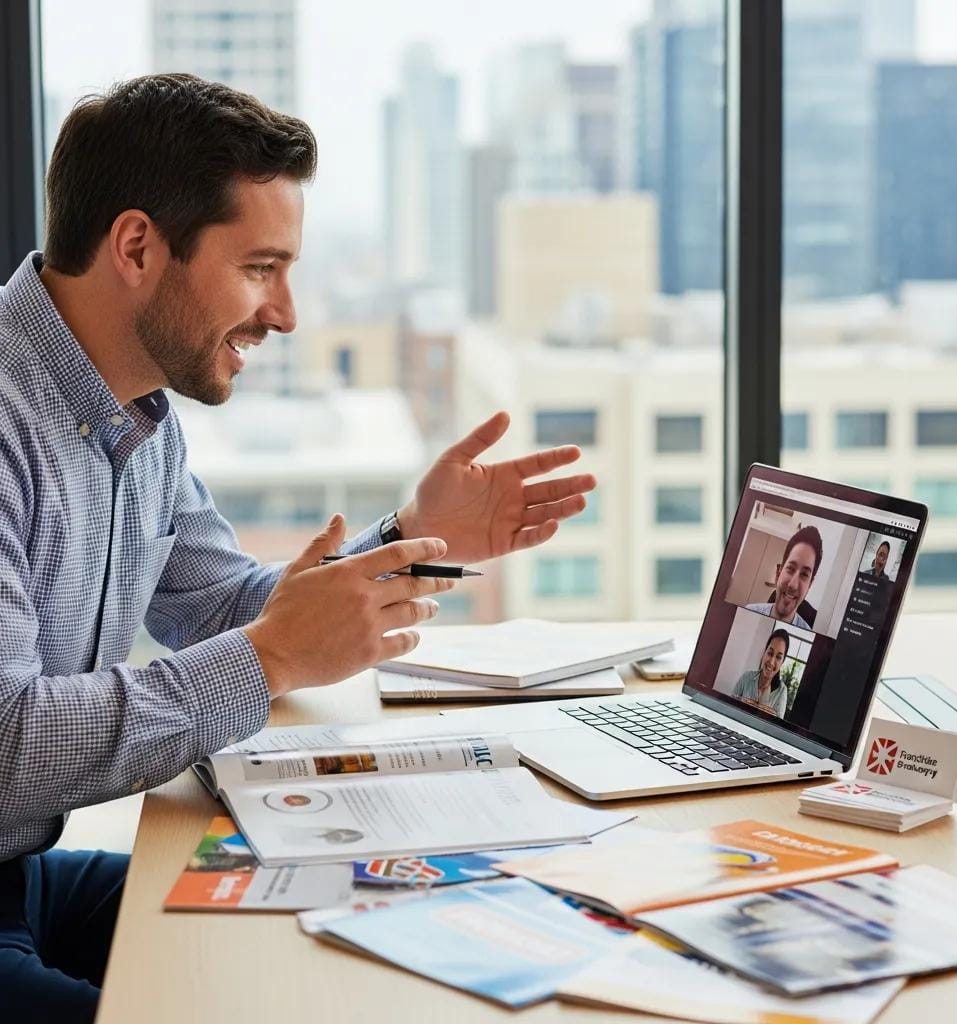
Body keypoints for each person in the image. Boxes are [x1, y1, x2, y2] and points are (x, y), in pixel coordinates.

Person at [0, 74, 596, 1021]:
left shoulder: (137, 413)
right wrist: (271, 657)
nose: (286, 314)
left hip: (20, 877)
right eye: (259, 268)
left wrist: (413, 538)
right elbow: (6, 743)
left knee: (339, 924)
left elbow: (232, 606)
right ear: (138, 247)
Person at [745, 525, 824, 631]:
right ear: (779, 572)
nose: (793, 585)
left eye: (804, 574)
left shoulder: (808, 631)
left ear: (810, 585)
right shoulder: (748, 613)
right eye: (791, 568)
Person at [732, 629, 791, 718]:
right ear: (764, 653)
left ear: (782, 662)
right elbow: (729, 706)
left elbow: (776, 728)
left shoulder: (782, 691)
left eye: (778, 657)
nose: (771, 662)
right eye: (770, 653)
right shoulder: (746, 677)